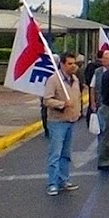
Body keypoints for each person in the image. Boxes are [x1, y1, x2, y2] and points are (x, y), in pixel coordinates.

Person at [42, 53, 81, 196]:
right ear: (63, 64)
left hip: (71, 120)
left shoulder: (75, 79)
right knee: (55, 153)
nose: (73, 66)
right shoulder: (54, 80)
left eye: (74, 63)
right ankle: (52, 183)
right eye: (70, 63)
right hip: (57, 121)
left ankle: (63, 180)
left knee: (66, 154)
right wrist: (62, 104)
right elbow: (47, 100)